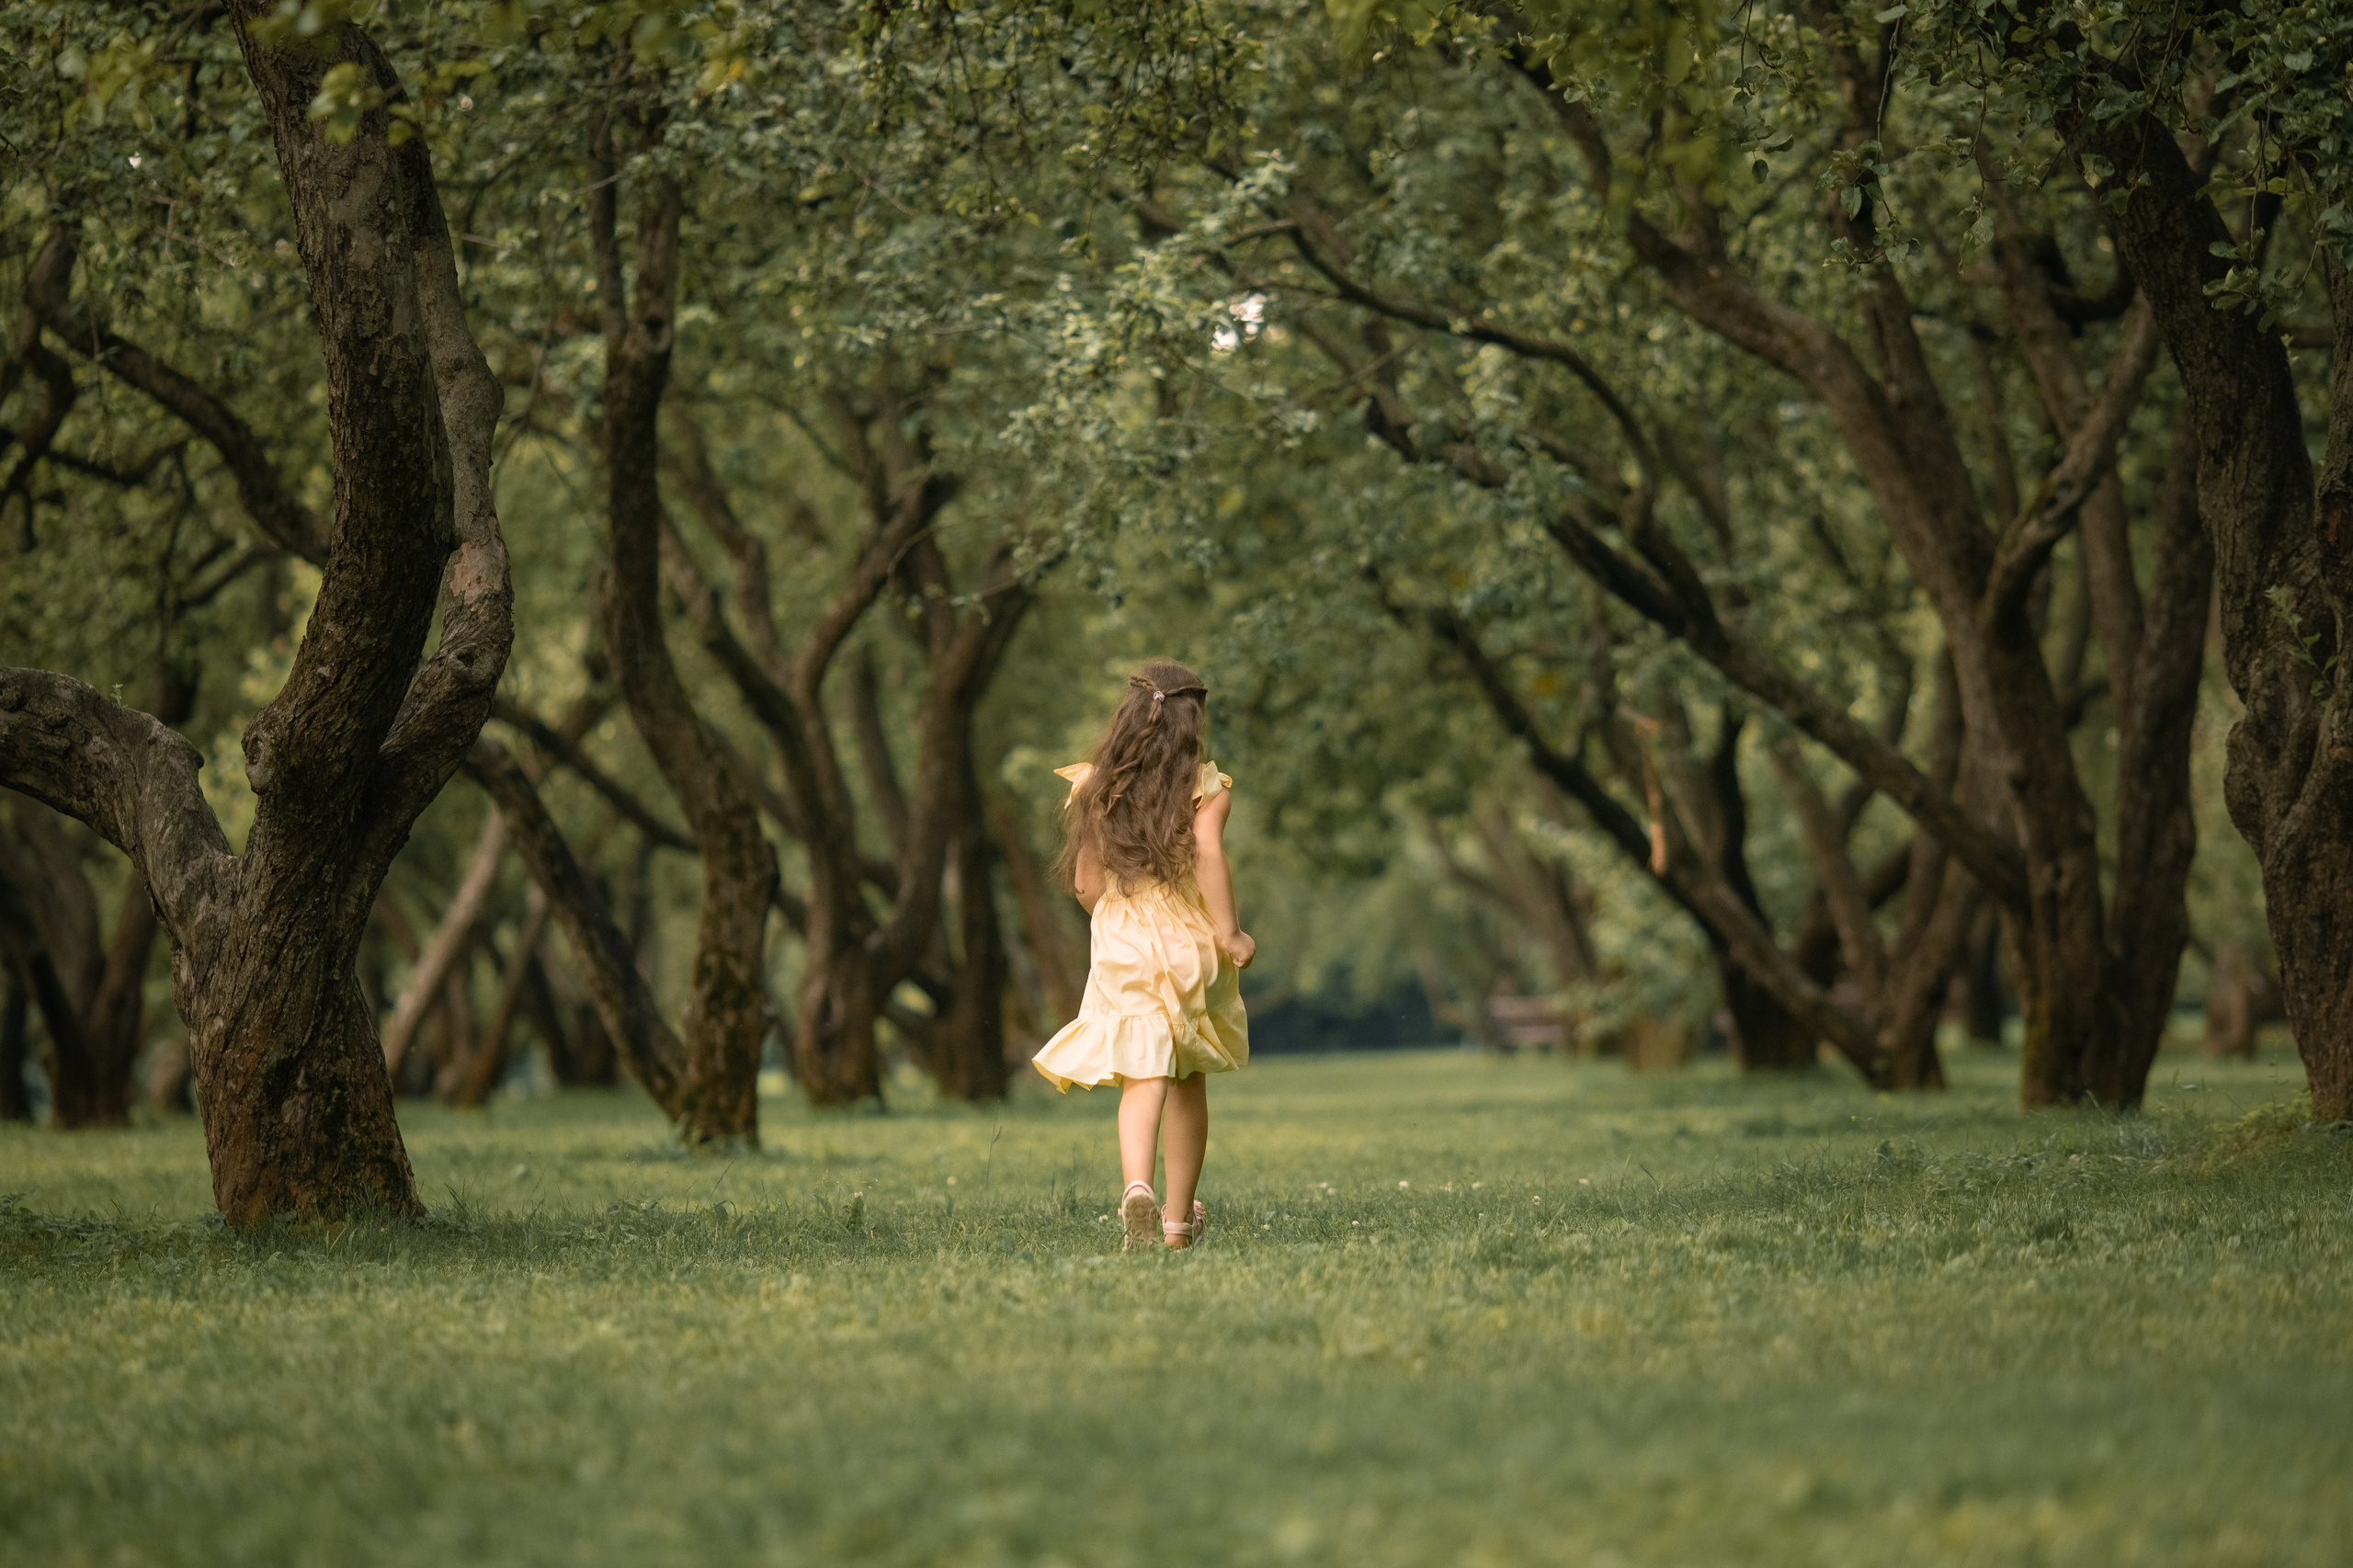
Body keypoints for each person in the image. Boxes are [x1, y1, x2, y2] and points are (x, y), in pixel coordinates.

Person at [1032, 660, 1254, 1252]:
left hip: (1121, 938)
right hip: (1189, 940)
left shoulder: (1095, 786)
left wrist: (1115, 916)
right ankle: (1178, 1227)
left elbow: (1086, 885)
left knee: (1143, 1073)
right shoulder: (1207, 788)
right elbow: (1208, 856)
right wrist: (1231, 933)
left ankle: (1137, 1188)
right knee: (1187, 1076)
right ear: (1193, 723)